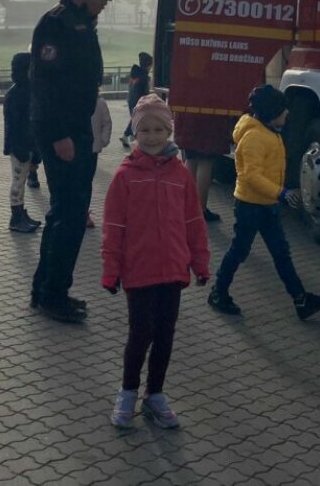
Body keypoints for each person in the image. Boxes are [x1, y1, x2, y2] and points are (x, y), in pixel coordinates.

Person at [102, 94, 210, 429]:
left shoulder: (181, 175)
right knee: (140, 334)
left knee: (165, 334)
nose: (152, 136)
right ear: (135, 133)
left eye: (159, 129)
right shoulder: (125, 177)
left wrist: (200, 263)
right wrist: (111, 270)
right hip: (139, 271)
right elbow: (114, 227)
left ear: (169, 132)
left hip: (173, 270)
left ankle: (155, 394)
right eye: (145, 129)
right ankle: (128, 392)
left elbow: (193, 222)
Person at [208, 85, 320, 322]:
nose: (287, 113)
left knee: (280, 253)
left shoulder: (268, 132)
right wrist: (282, 193)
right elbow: (250, 176)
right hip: (250, 206)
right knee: (241, 250)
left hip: (266, 204)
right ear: (272, 112)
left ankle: (301, 299)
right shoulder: (255, 137)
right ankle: (218, 292)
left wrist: (277, 195)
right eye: (283, 110)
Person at [30, 0, 113, 323]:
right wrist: (59, 135)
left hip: (78, 130)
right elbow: (44, 86)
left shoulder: (81, 24)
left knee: (66, 213)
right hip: (63, 134)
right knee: (70, 215)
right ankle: (53, 294)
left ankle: (46, 289)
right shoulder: (57, 23)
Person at [3, 53, 43, 234]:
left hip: (27, 143)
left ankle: (20, 213)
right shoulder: (16, 94)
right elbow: (13, 125)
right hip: (19, 145)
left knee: (22, 179)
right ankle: (16, 216)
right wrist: (19, 147)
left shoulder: (27, 90)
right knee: (18, 181)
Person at [174, 112, 229, 223]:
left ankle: (188, 207)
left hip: (187, 115)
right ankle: (200, 210)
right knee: (206, 161)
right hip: (208, 116)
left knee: (191, 159)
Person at [88, 90, 113, 228]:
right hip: (78, 149)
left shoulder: (100, 103)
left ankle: (84, 212)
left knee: (86, 182)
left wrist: (103, 140)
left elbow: (106, 123)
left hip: (92, 149)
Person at [120, 52, 153, 148]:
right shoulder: (144, 77)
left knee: (136, 122)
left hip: (131, 100)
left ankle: (129, 139)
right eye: (150, 65)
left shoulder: (136, 73)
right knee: (138, 123)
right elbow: (144, 92)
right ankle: (128, 139)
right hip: (138, 102)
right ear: (147, 65)